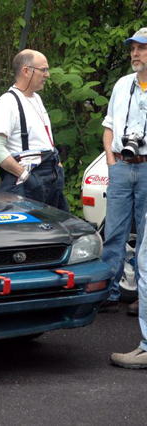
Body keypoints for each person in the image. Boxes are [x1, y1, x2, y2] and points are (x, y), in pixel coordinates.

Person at [100, 28, 147, 318]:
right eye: (133, 49)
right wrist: (110, 158)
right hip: (119, 166)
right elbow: (108, 125)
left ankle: (143, 297)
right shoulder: (122, 84)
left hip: (146, 168)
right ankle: (108, 292)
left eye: (141, 49)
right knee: (114, 233)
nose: (135, 54)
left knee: (144, 238)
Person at [0, 49, 69, 212]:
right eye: (43, 70)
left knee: (58, 231)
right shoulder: (7, 103)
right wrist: (25, 176)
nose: (48, 75)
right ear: (26, 71)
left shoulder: (36, 98)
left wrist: (57, 167)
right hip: (25, 186)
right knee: (27, 234)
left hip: (49, 181)